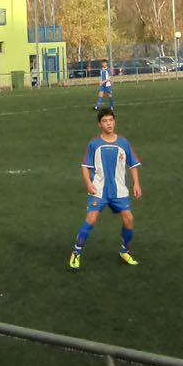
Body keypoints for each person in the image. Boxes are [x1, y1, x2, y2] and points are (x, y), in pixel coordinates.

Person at [69, 108, 141, 269]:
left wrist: (136, 183)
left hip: (119, 190)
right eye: (105, 121)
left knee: (129, 218)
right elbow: (85, 166)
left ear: (114, 121)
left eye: (111, 120)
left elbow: (133, 164)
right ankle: (76, 252)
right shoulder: (94, 144)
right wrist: (88, 184)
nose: (109, 124)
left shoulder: (123, 142)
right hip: (99, 190)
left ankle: (125, 251)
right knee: (91, 218)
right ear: (99, 124)